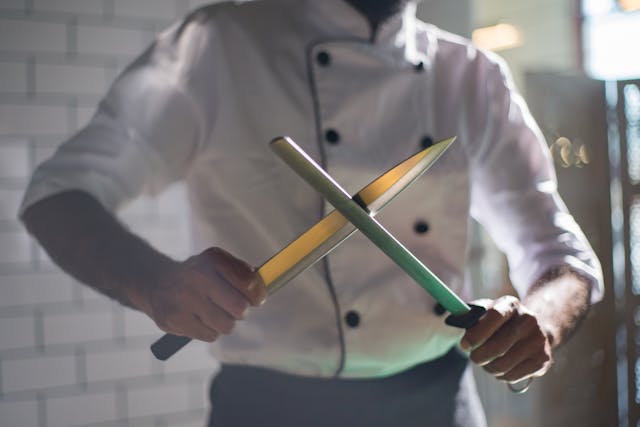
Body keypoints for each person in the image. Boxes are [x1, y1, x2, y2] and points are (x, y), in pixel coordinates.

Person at [19, 0, 603, 425]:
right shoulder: (216, 47)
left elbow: (561, 257)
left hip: (438, 406)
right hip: (269, 409)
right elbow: (60, 193)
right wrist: (155, 284)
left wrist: (539, 322)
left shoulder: (473, 77)